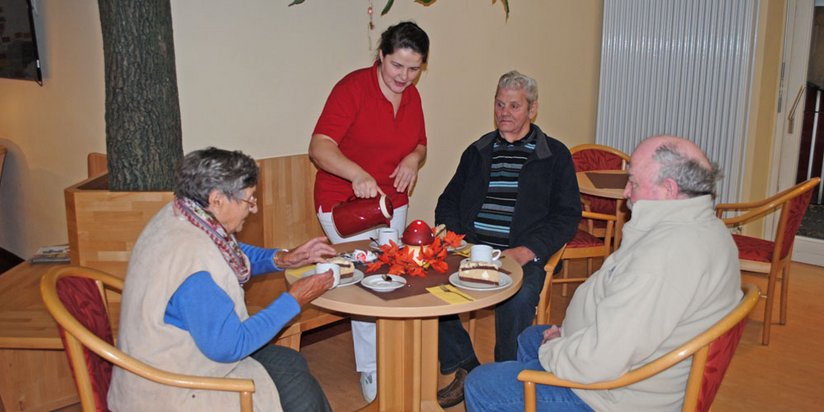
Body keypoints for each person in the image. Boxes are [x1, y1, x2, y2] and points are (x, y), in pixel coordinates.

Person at [463, 136, 743, 411]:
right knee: (529, 338)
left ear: (668, 189)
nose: (625, 193)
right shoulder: (709, 230)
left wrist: (557, 349)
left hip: (612, 395)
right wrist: (570, 335)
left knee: (482, 383)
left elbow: (602, 360)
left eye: (633, 182)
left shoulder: (664, 258)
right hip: (632, 368)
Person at [108, 148, 336, 412]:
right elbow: (231, 346)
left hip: (172, 358)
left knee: (290, 362)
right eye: (249, 200)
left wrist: (282, 259)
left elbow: (228, 252)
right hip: (173, 390)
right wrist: (295, 300)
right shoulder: (193, 266)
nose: (254, 208)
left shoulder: (182, 215)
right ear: (217, 199)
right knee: (300, 392)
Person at [434, 70, 582, 408]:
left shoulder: (554, 155)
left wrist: (528, 250)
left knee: (516, 300)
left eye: (514, 106)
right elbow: (448, 201)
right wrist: (455, 238)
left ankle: (505, 379)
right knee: (430, 289)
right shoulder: (478, 150)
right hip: (472, 248)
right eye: (500, 104)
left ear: (532, 110)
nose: (504, 112)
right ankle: (467, 367)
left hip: (521, 254)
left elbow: (567, 215)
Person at [308, 20, 429, 402]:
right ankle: (373, 371)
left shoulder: (413, 97)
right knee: (368, 281)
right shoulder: (352, 88)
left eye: (414, 69)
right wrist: (356, 173)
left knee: (394, 274)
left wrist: (413, 158)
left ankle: (396, 358)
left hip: (392, 202)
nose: (404, 77)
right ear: (381, 56)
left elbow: (421, 144)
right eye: (397, 65)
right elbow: (320, 147)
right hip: (345, 205)